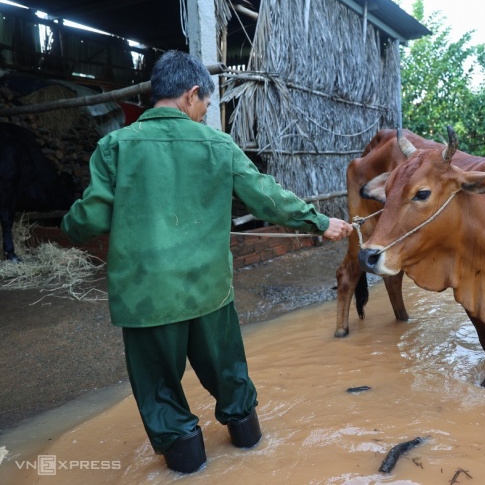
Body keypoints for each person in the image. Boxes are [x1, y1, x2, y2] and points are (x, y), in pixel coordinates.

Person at [61, 50, 354, 474]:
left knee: (162, 393)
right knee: (231, 379)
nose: (203, 113)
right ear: (191, 94)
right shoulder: (218, 145)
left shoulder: (115, 147)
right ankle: (255, 459)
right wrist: (319, 221)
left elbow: (88, 218)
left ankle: (190, 469)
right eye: (205, 105)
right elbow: (266, 197)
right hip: (210, 293)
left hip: (147, 301)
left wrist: (66, 227)